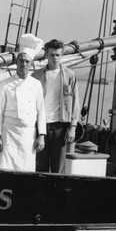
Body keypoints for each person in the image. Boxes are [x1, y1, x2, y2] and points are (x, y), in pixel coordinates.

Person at [0, 34, 46, 171]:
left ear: (31, 64)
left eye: (27, 62)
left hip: (29, 135)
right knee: (4, 168)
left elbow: (41, 112)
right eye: (21, 61)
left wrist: (41, 136)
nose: (24, 64)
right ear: (17, 62)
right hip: (8, 133)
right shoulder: (5, 85)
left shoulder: (36, 85)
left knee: (25, 170)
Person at [32, 38, 80, 173]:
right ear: (46, 54)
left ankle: (56, 193)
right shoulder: (36, 75)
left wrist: (73, 127)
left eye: (58, 55)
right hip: (40, 125)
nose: (55, 58)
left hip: (60, 126)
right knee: (40, 166)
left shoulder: (70, 75)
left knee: (58, 167)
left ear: (62, 55)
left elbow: (75, 101)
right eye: (52, 54)